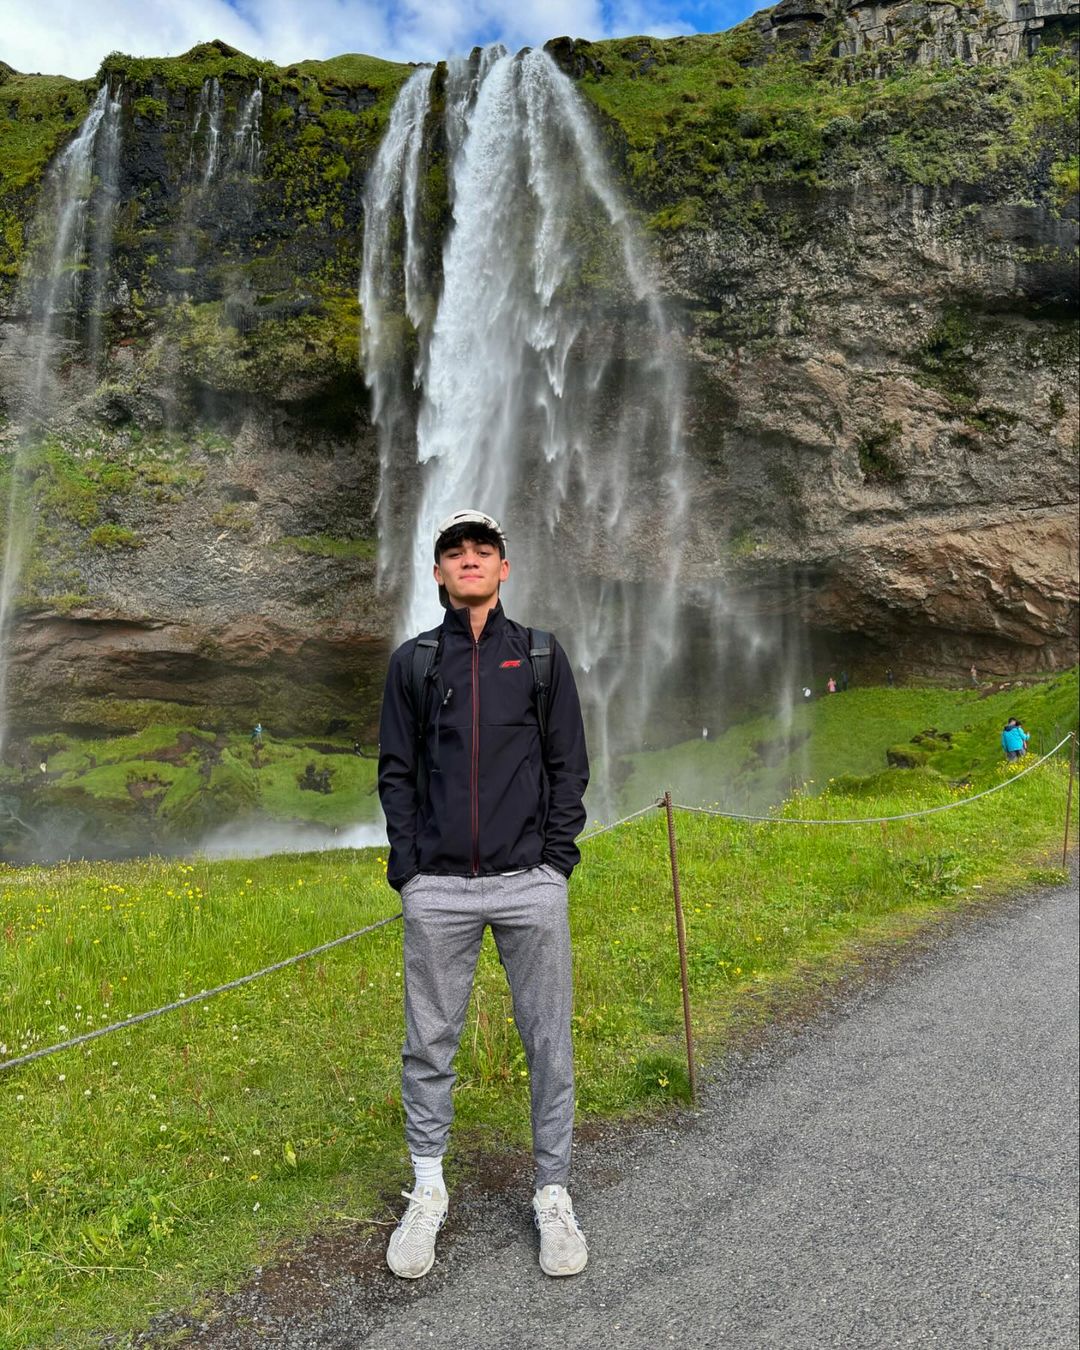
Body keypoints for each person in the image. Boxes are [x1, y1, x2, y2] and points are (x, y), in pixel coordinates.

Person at [378, 508, 590, 1282]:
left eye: (483, 549)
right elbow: (396, 771)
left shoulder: (540, 656)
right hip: (438, 888)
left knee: (548, 1040)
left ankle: (553, 1193)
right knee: (428, 1044)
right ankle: (428, 1190)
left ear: (505, 567)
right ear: (437, 572)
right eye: (454, 551)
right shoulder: (413, 663)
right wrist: (412, 870)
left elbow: (568, 764)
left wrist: (555, 862)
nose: (469, 559)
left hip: (529, 883)